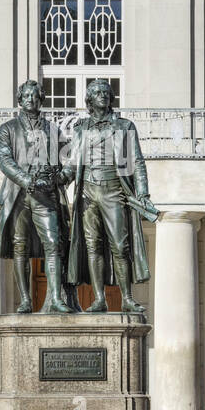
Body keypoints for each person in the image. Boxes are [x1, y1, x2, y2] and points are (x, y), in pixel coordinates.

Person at [63, 79, 156, 313]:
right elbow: (73, 164)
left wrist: (143, 192)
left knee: (120, 245)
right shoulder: (80, 129)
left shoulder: (125, 126)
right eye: (97, 92)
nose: (102, 95)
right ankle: (98, 299)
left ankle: (126, 298)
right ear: (89, 100)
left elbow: (137, 161)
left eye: (106, 92)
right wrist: (57, 180)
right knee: (92, 245)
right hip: (87, 191)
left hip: (114, 188)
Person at [0, 80, 74, 313]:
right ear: (20, 100)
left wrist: (62, 177)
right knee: (20, 246)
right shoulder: (7, 129)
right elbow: (5, 161)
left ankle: (56, 299)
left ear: (41, 99)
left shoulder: (53, 130)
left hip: (46, 195)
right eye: (26, 96)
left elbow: (67, 160)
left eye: (35, 95)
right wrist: (28, 180)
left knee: (53, 243)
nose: (30, 99)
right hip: (19, 194)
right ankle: (26, 299)